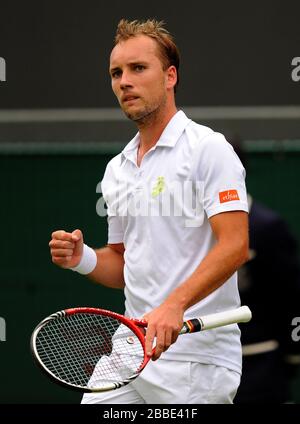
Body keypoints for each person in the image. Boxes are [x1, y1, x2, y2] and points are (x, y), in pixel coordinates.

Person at [49, 19, 249, 404]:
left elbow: (235, 246)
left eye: (138, 69)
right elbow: (125, 264)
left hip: (196, 360)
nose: (125, 81)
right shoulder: (117, 169)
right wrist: (83, 258)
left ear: (170, 76)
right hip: (129, 351)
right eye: (116, 73)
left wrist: (175, 305)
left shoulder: (209, 149)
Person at [229, 140, 300, 403]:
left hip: (259, 367)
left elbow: (291, 298)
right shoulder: (190, 230)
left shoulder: (267, 227)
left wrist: (293, 353)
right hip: (200, 368)